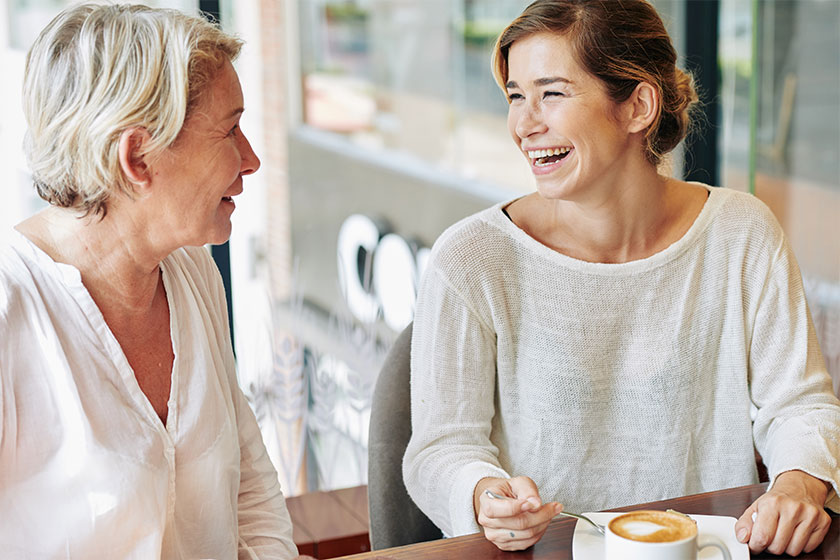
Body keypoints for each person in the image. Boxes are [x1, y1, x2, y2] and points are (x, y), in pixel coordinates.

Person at [403, 0, 840, 556]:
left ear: (637, 107)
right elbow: (439, 450)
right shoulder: (472, 259)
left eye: (551, 93)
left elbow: (801, 405)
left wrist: (799, 482)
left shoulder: (741, 233)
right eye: (516, 95)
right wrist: (482, 495)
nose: (524, 123)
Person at [0, 4, 311, 559]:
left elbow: (250, 492)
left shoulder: (192, 272)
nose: (252, 159)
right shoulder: (12, 310)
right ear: (138, 157)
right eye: (231, 129)